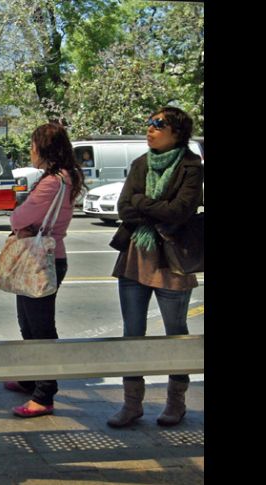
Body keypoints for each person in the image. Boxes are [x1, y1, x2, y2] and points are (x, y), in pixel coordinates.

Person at [106, 107, 203, 428]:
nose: (150, 128)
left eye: (158, 124)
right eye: (149, 122)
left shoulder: (191, 166)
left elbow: (179, 211)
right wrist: (151, 209)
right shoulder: (141, 163)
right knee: (132, 335)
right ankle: (132, 404)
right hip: (134, 259)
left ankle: (176, 403)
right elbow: (123, 208)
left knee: (176, 334)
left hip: (172, 262)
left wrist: (142, 204)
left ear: (177, 132)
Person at [3, 123, 84, 418]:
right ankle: (31, 377)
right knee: (28, 322)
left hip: (40, 259)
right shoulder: (65, 177)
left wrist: (19, 220)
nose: (30, 150)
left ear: (43, 149)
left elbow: (20, 217)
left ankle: (44, 393)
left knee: (40, 327)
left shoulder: (52, 181)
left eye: (33, 145)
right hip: (46, 256)